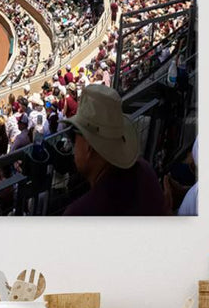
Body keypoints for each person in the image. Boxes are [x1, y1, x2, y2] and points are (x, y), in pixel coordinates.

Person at [61, 85, 168, 216]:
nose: (73, 145)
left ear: (89, 147)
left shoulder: (79, 214)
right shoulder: (145, 171)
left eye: (74, 137)